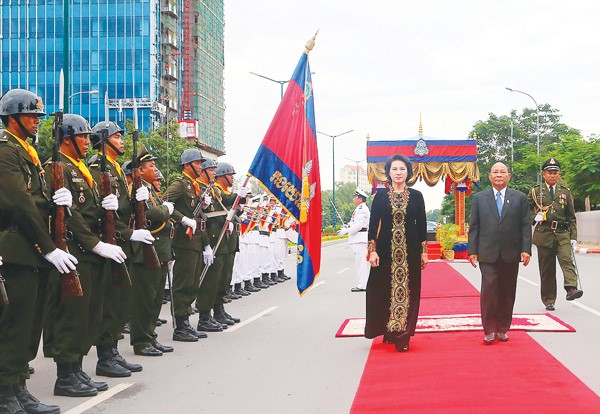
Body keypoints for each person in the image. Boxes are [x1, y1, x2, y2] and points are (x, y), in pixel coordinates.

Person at [0, 89, 76, 414]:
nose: (36, 121)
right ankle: (5, 393)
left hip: (33, 252)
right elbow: (19, 204)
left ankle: (19, 386)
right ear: (13, 117)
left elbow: (39, 201)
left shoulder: (28, 152)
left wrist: (61, 204)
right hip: (17, 249)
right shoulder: (5, 151)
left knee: (31, 326)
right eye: (31, 116)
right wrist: (48, 248)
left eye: (38, 116)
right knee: (15, 324)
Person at [44, 114, 127, 397]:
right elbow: (70, 215)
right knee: (73, 316)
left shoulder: (82, 168)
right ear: (67, 139)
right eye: (81, 136)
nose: (87, 142)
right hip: (75, 251)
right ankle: (65, 375)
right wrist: (94, 244)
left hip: (89, 252)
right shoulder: (58, 167)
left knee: (89, 315)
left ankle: (77, 369)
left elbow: (87, 210)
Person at [89, 121, 150, 377]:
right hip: (110, 241)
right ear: (103, 140)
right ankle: (105, 356)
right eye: (116, 136)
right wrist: (127, 232)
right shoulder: (97, 167)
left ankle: (112, 350)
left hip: (121, 241)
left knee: (120, 300)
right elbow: (101, 212)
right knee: (110, 302)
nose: (122, 140)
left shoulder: (114, 167)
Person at [365, 154, 428, 352]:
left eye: (402, 169)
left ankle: (403, 335)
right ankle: (389, 330)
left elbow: (422, 226)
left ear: (408, 172)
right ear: (388, 173)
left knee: (409, 291)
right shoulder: (381, 196)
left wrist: (424, 253)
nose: (399, 173)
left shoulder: (416, 196)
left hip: (410, 252)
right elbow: (373, 224)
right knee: (383, 290)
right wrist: (372, 251)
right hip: (385, 252)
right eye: (395, 169)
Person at [468, 162, 532, 344]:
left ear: (508, 176)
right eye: (495, 172)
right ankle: (489, 329)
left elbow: (525, 226)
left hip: (511, 253)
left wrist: (525, 249)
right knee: (489, 290)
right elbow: (474, 226)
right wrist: (472, 250)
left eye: (502, 172)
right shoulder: (479, 198)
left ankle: (503, 328)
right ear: (489, 176)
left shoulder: (519, 198)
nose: (498, 175)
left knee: (507, 291)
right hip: (487, 253)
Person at [128, 148, 174, 356]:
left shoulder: (151, 189)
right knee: (144, 300)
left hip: (160, 249)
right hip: (145, 249)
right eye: (151, 166)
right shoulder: (137, 189)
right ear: (139, 170)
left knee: (155, 299)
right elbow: (156, 213)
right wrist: (166, 209)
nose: (155, 169)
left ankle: (150, 336)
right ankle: (141, 341)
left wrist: (164, 209)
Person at [163, 148, 210, 342]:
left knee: (191, 284)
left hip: (195, 241)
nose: (201, 167)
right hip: (184, 242)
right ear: (188, 165)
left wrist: (203, 206)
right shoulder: (180, 184)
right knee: (183, 283)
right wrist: (182, 219)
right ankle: (180, 326)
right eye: (198, 163)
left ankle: (186, 322)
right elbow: (163, 203)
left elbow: (196, 212)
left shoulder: (194, 186)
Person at [528, 158, 582, 311]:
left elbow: (571, 216)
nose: (553, 175)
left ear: (559, 174)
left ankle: (571, 288)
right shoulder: (535, 191)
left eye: (555, 173)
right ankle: (549, 300)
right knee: (547, 269)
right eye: (550, 172)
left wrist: (573, 237)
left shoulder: (565, 191)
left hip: (562, 233)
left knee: (567, 260)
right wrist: (534, 218)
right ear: (543, 174)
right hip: (544, 234)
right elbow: (525, 211)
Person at [338, 188, 371, 292]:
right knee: (360, 263)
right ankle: (363, 283)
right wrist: (347, 226)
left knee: (361, 263)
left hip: (360, 239)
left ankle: (363, 285)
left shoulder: (361, 210)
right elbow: (354, 223)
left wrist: (347, 231)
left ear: (360, 199)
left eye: (355, 197)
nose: (353, 199)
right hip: (359, 238)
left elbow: (359, 225)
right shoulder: (359, 209)